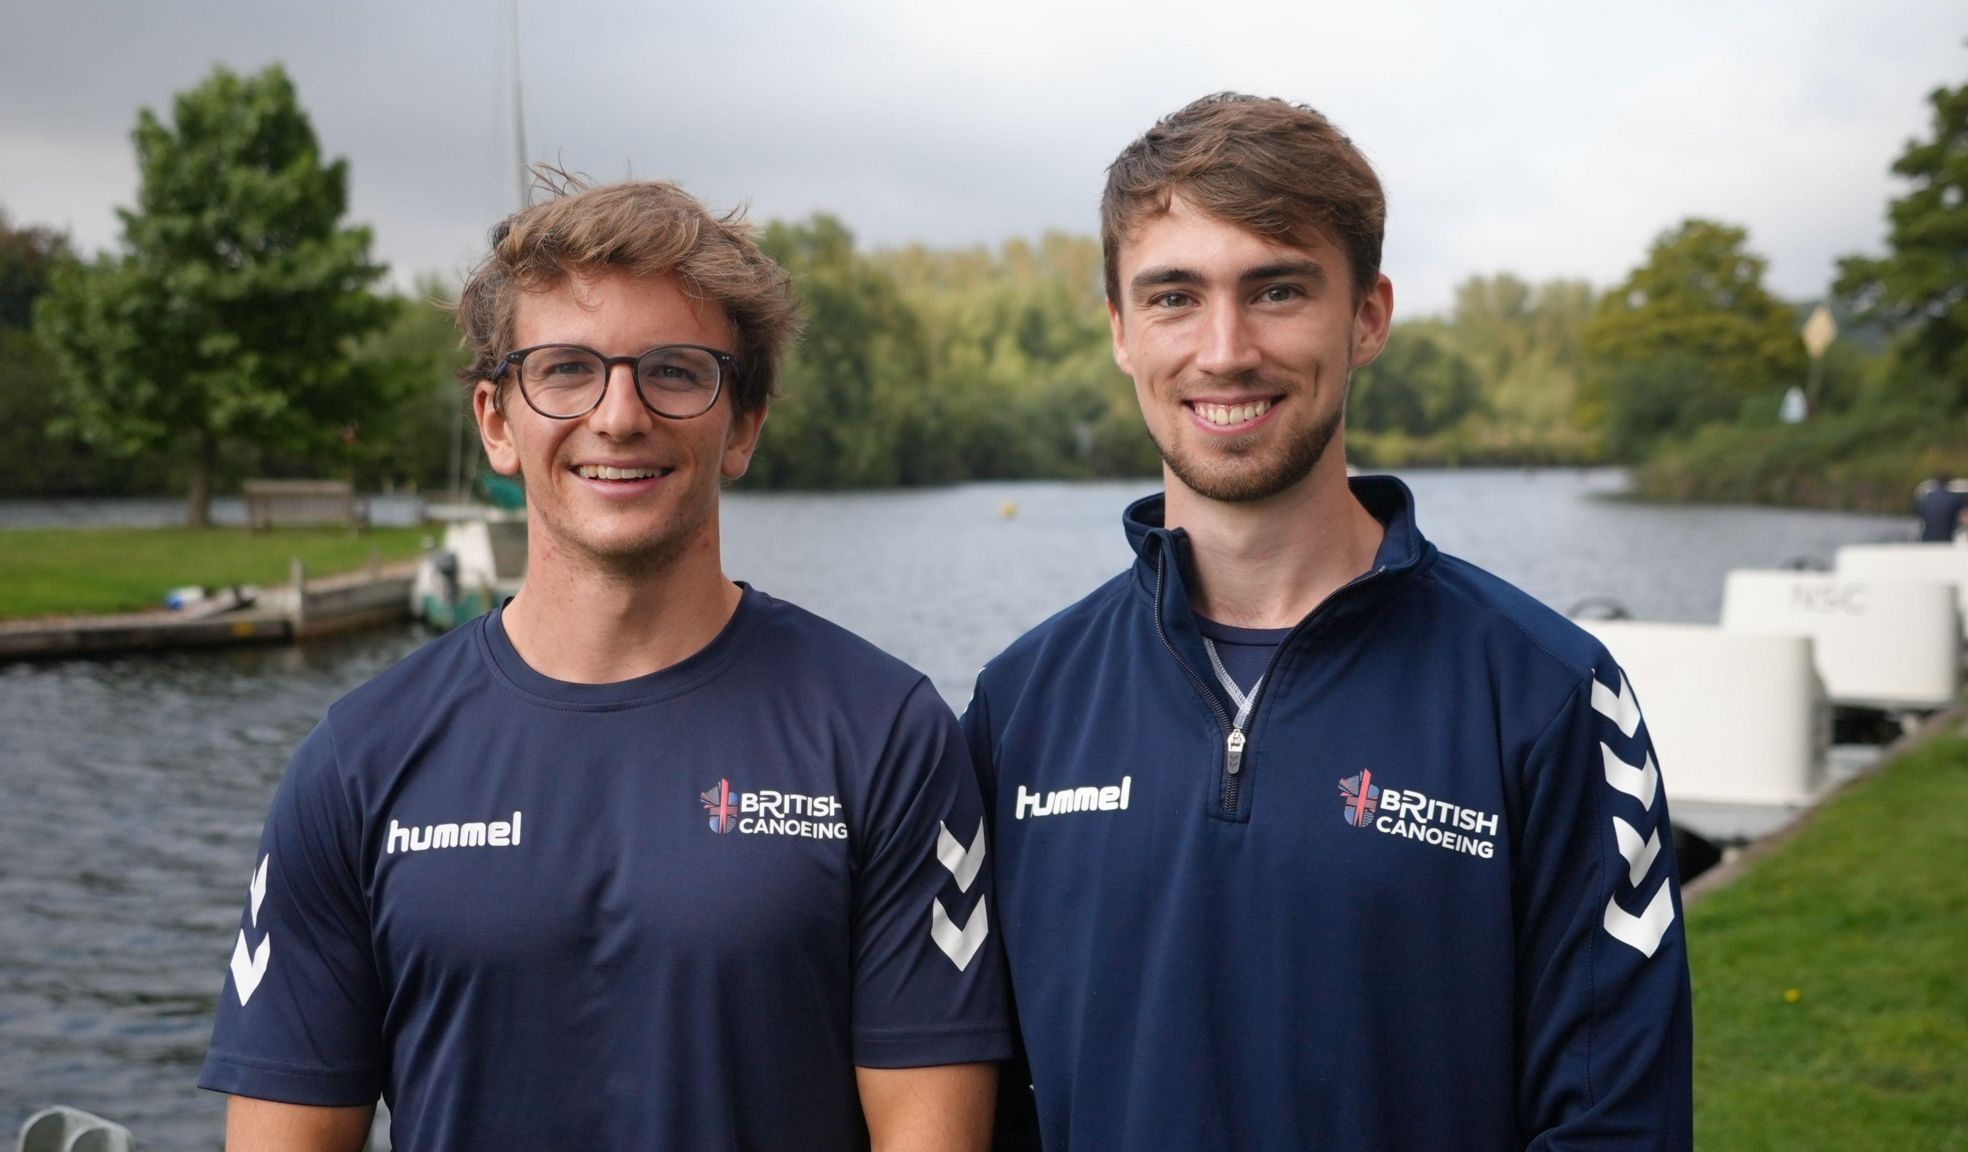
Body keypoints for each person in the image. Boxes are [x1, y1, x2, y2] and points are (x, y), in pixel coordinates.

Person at [199, 179, 1009, 1151]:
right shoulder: (358, 761)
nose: (618, 416)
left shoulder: (883, 736)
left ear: (742, 423)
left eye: (673, 371)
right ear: (497, 420)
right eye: (566, 369)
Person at [965, 94, 1692, 1150]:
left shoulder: (1549, 695)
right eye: (1174, 296)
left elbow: (1612, 1118)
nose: (1224, 350)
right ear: (1121, 333)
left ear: (1366, 317)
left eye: (1276, 289)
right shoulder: (1019, 705)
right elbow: (972, 1101)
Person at [1913, 472, 1967, 542]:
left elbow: (1919, 514)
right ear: (1949, 482)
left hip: (1927, 540)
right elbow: (1964, 517)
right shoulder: (1954, 499)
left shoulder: (1928, 497)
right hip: (1946, 540)